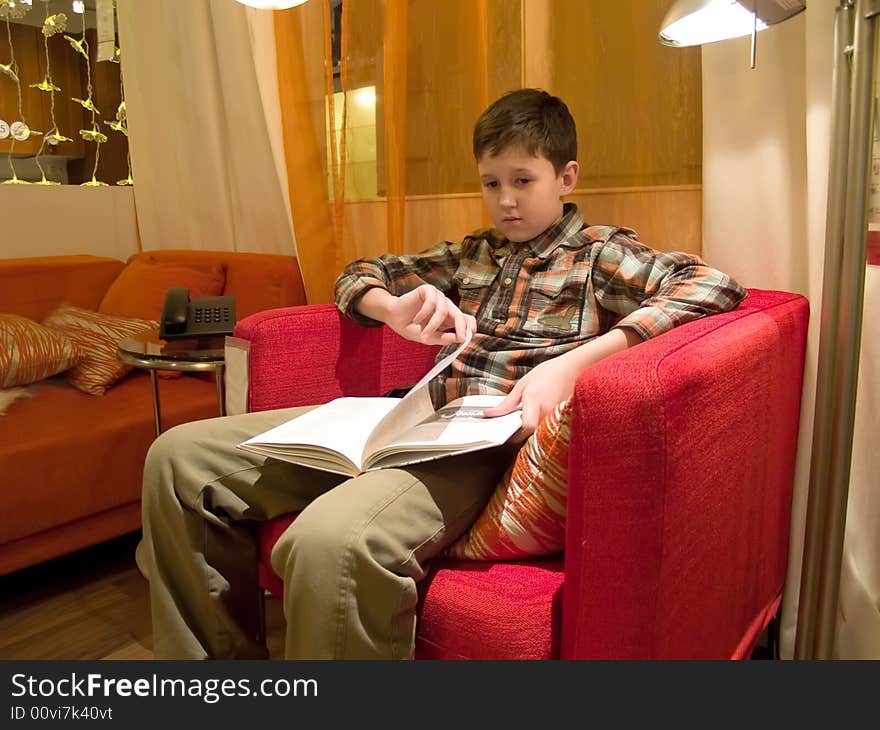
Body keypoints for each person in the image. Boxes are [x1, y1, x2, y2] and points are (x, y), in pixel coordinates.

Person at [141, 88, 746, 659]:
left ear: (566, 178)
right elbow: (358, 273)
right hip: (407, 413)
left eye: (523, 181)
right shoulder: (472, 254)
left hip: (481, 440)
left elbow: (712, 285)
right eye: (491, 183)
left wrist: (575, 363)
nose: (505, 200)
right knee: (179, 458)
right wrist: (392, 309)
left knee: (331, 542)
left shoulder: (598, 254)